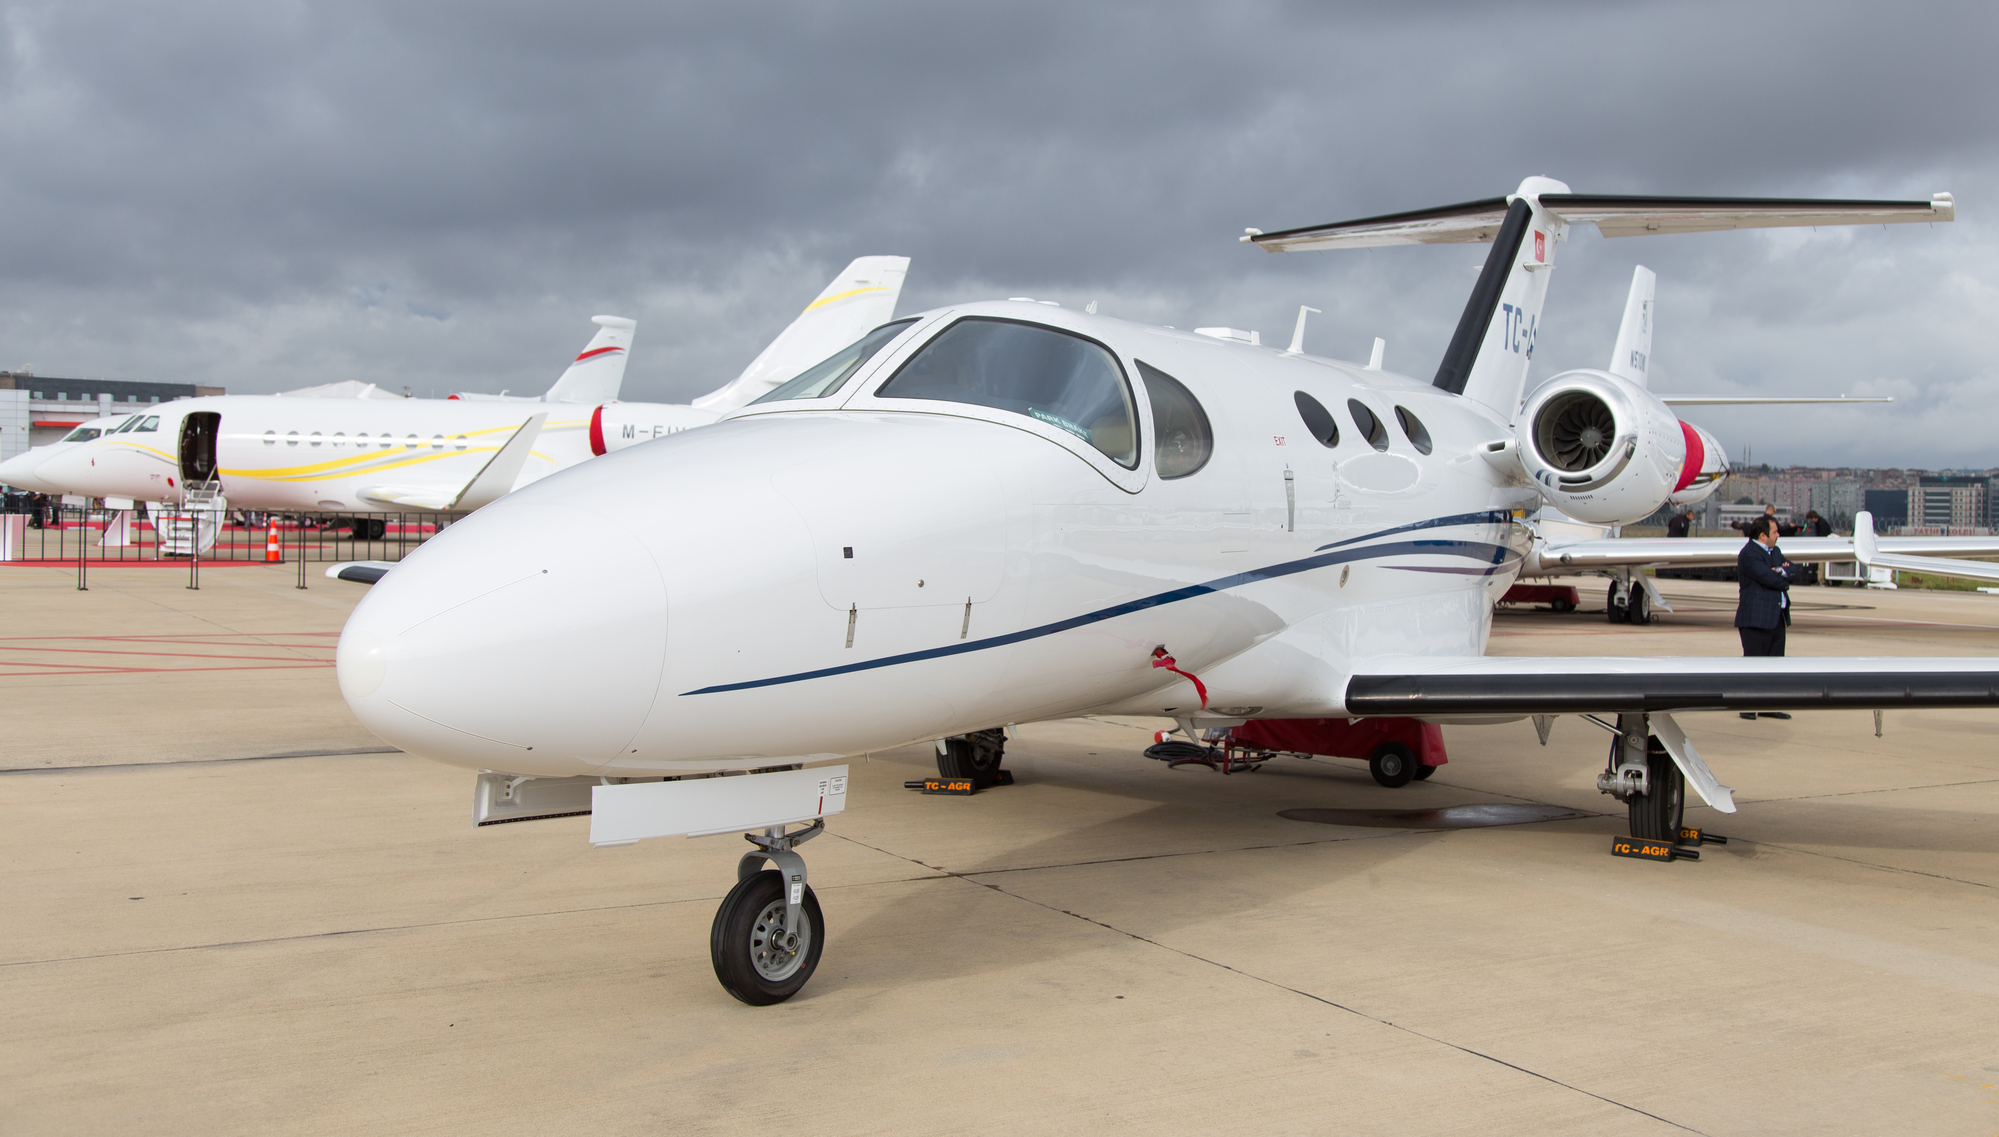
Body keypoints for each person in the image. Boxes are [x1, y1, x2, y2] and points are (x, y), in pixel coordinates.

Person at [1736, 516, 1801, 719]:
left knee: (1775, 665)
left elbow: (1795, 570)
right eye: (1775, 532)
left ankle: (1768, 705)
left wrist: (1780, 570)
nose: (1778, 534)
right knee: (1754, 665)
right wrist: (1781, 575)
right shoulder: (1749, 554)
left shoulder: (1775, 552)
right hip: (1756, 619)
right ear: (1763, 535)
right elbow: (1770, 579)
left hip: (1776, 617)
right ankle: (1748, 706)